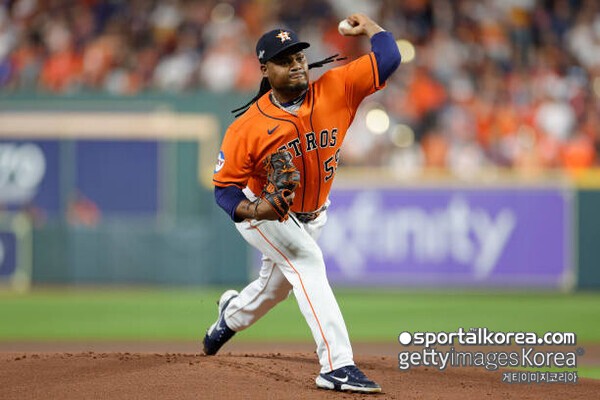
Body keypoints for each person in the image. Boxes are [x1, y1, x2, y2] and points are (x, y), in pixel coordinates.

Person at [204, 13, 401, 393]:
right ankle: (336, 365)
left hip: (313, 216)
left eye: (299, 57)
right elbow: (224, 190)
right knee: (308, 261)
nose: (296, 65)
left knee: (274, 289)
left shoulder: (337, 88)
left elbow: (389, 57)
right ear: (265, 69)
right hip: (265, 210)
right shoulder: (247, 127)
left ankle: (229, 316)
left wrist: (370, 27)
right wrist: (254, 211)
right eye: (284, 60)